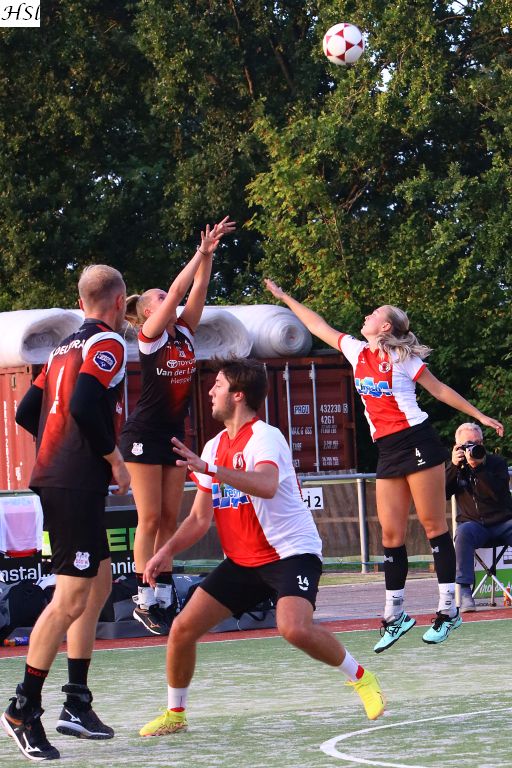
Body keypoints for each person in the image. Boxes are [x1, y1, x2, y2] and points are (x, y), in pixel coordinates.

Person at [138, 358, 386, 737]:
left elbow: (267, 485)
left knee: (293, 628)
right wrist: (165, 551)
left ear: (238, 395)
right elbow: (200, 519)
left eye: (218, 385)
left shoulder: (265, 437)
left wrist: (211, 469)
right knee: (182, 629)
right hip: (243, 561)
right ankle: (176, 714)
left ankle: (362, 678)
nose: (210, 391)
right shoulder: (214, 446)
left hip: (291, 552)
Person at [264, 279, 504, 651]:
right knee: (390, 536)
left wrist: (479, 415)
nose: (367, 315)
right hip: (388, 450)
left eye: (374, 313)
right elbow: (317, 325)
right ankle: (395, 614)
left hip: (417, 440)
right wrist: (284, 297)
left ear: (386, 326)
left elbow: (439, 389)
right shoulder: (356, 351)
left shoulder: (402, 358)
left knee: (433, 527)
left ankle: (447, 609)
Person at [2, 265, 130, 762]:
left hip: (65, 476)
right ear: (118, 302)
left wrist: (60, 450)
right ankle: (22, 708)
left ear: (81, 302)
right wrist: (111, 458)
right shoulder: (108, 343)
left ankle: (76, 701)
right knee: (70, 597)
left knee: (98, 583)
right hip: (74, 481)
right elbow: (83, 404)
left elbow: (25, 412)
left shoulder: (60, 349)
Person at [120, 217, 235, 636]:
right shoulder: (150, 335)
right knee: (149, 518)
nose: (166, 298)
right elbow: (179, 289)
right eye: (160, 297)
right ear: (150, 312)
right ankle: (143, 596)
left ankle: (164, 592)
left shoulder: (184, 332)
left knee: (170, 517)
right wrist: (198, 253)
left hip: (172, 434)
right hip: (143, 434)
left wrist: (209, 256)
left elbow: (198, 288)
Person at [446, 422, 512, 612]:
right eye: (469, 444)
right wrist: (454, 466)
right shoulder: (456, 466)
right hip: (474, 525)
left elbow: (497, 494)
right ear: (458, 446)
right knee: (463, 532)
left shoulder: (497, 463)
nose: (474, 448)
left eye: (478, 443)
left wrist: (478, 468)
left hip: (503, 523)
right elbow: (442, 493)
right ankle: (465, 592)